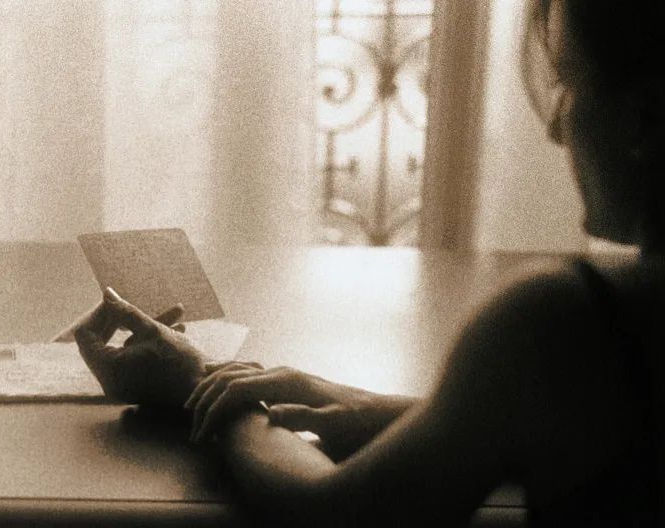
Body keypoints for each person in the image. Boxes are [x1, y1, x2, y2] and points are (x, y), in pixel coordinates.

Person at [72, 0, 664, 525]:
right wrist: (372, 408)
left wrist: (204, 390)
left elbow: (336, 511)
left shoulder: (565, 326)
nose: (556, 128)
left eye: (567, 84)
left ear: (642, 117)